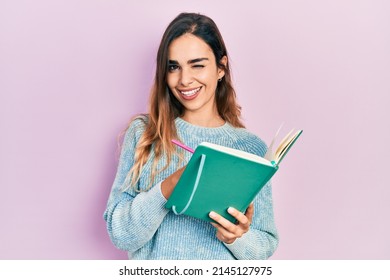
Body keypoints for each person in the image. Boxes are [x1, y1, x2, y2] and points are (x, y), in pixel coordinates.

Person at [104, 12, 279, 260]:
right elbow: (119, 233)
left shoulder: (250, 148)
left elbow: (263, 246)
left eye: (197, 65)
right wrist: (168, 187)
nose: (185, 80)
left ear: (221, 67)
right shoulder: (144, 134)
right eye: (174, 67)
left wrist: (236, 236)